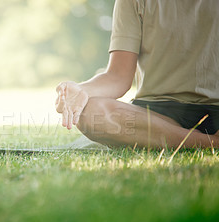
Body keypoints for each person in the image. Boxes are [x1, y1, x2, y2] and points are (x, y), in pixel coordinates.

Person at [55, 0, 219, 148]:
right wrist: (80, 90)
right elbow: (118, 76)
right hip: (157, 116)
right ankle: (209, 143)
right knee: (90, 113)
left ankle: (174, 139)